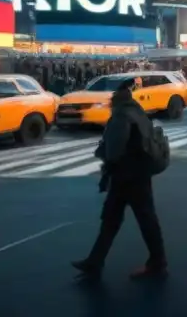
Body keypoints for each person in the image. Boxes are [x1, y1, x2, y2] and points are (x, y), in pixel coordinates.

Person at [72, 79, 168, 278]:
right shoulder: (137, 112)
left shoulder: (121, 116)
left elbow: (114, 150)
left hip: (126, 175)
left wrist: (102, 153)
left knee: (124, 219)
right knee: (124, 218)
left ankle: (157, 263)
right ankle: (95, 261)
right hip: (138, 173)